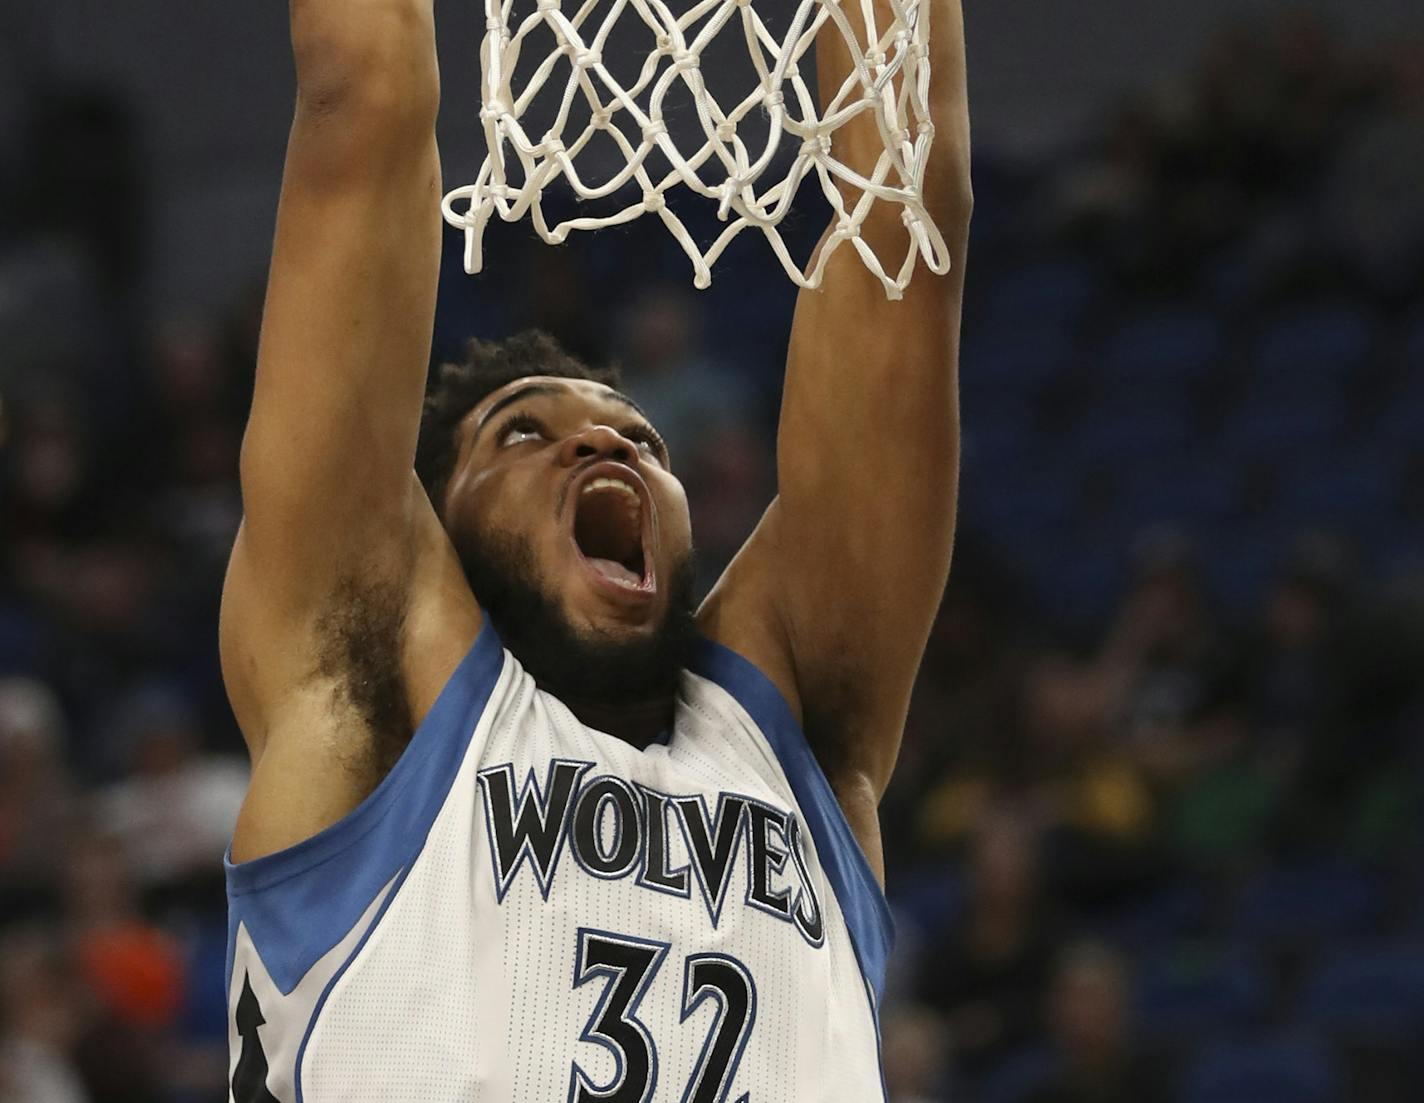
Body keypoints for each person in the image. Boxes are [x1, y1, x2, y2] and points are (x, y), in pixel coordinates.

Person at [218, 0, 970, 1097]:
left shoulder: (786, 725)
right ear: (435, 519)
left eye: (639, 439)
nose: (600, 442)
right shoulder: (372, 672)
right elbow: (362, 94)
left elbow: (905, 218)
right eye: (522, 432)